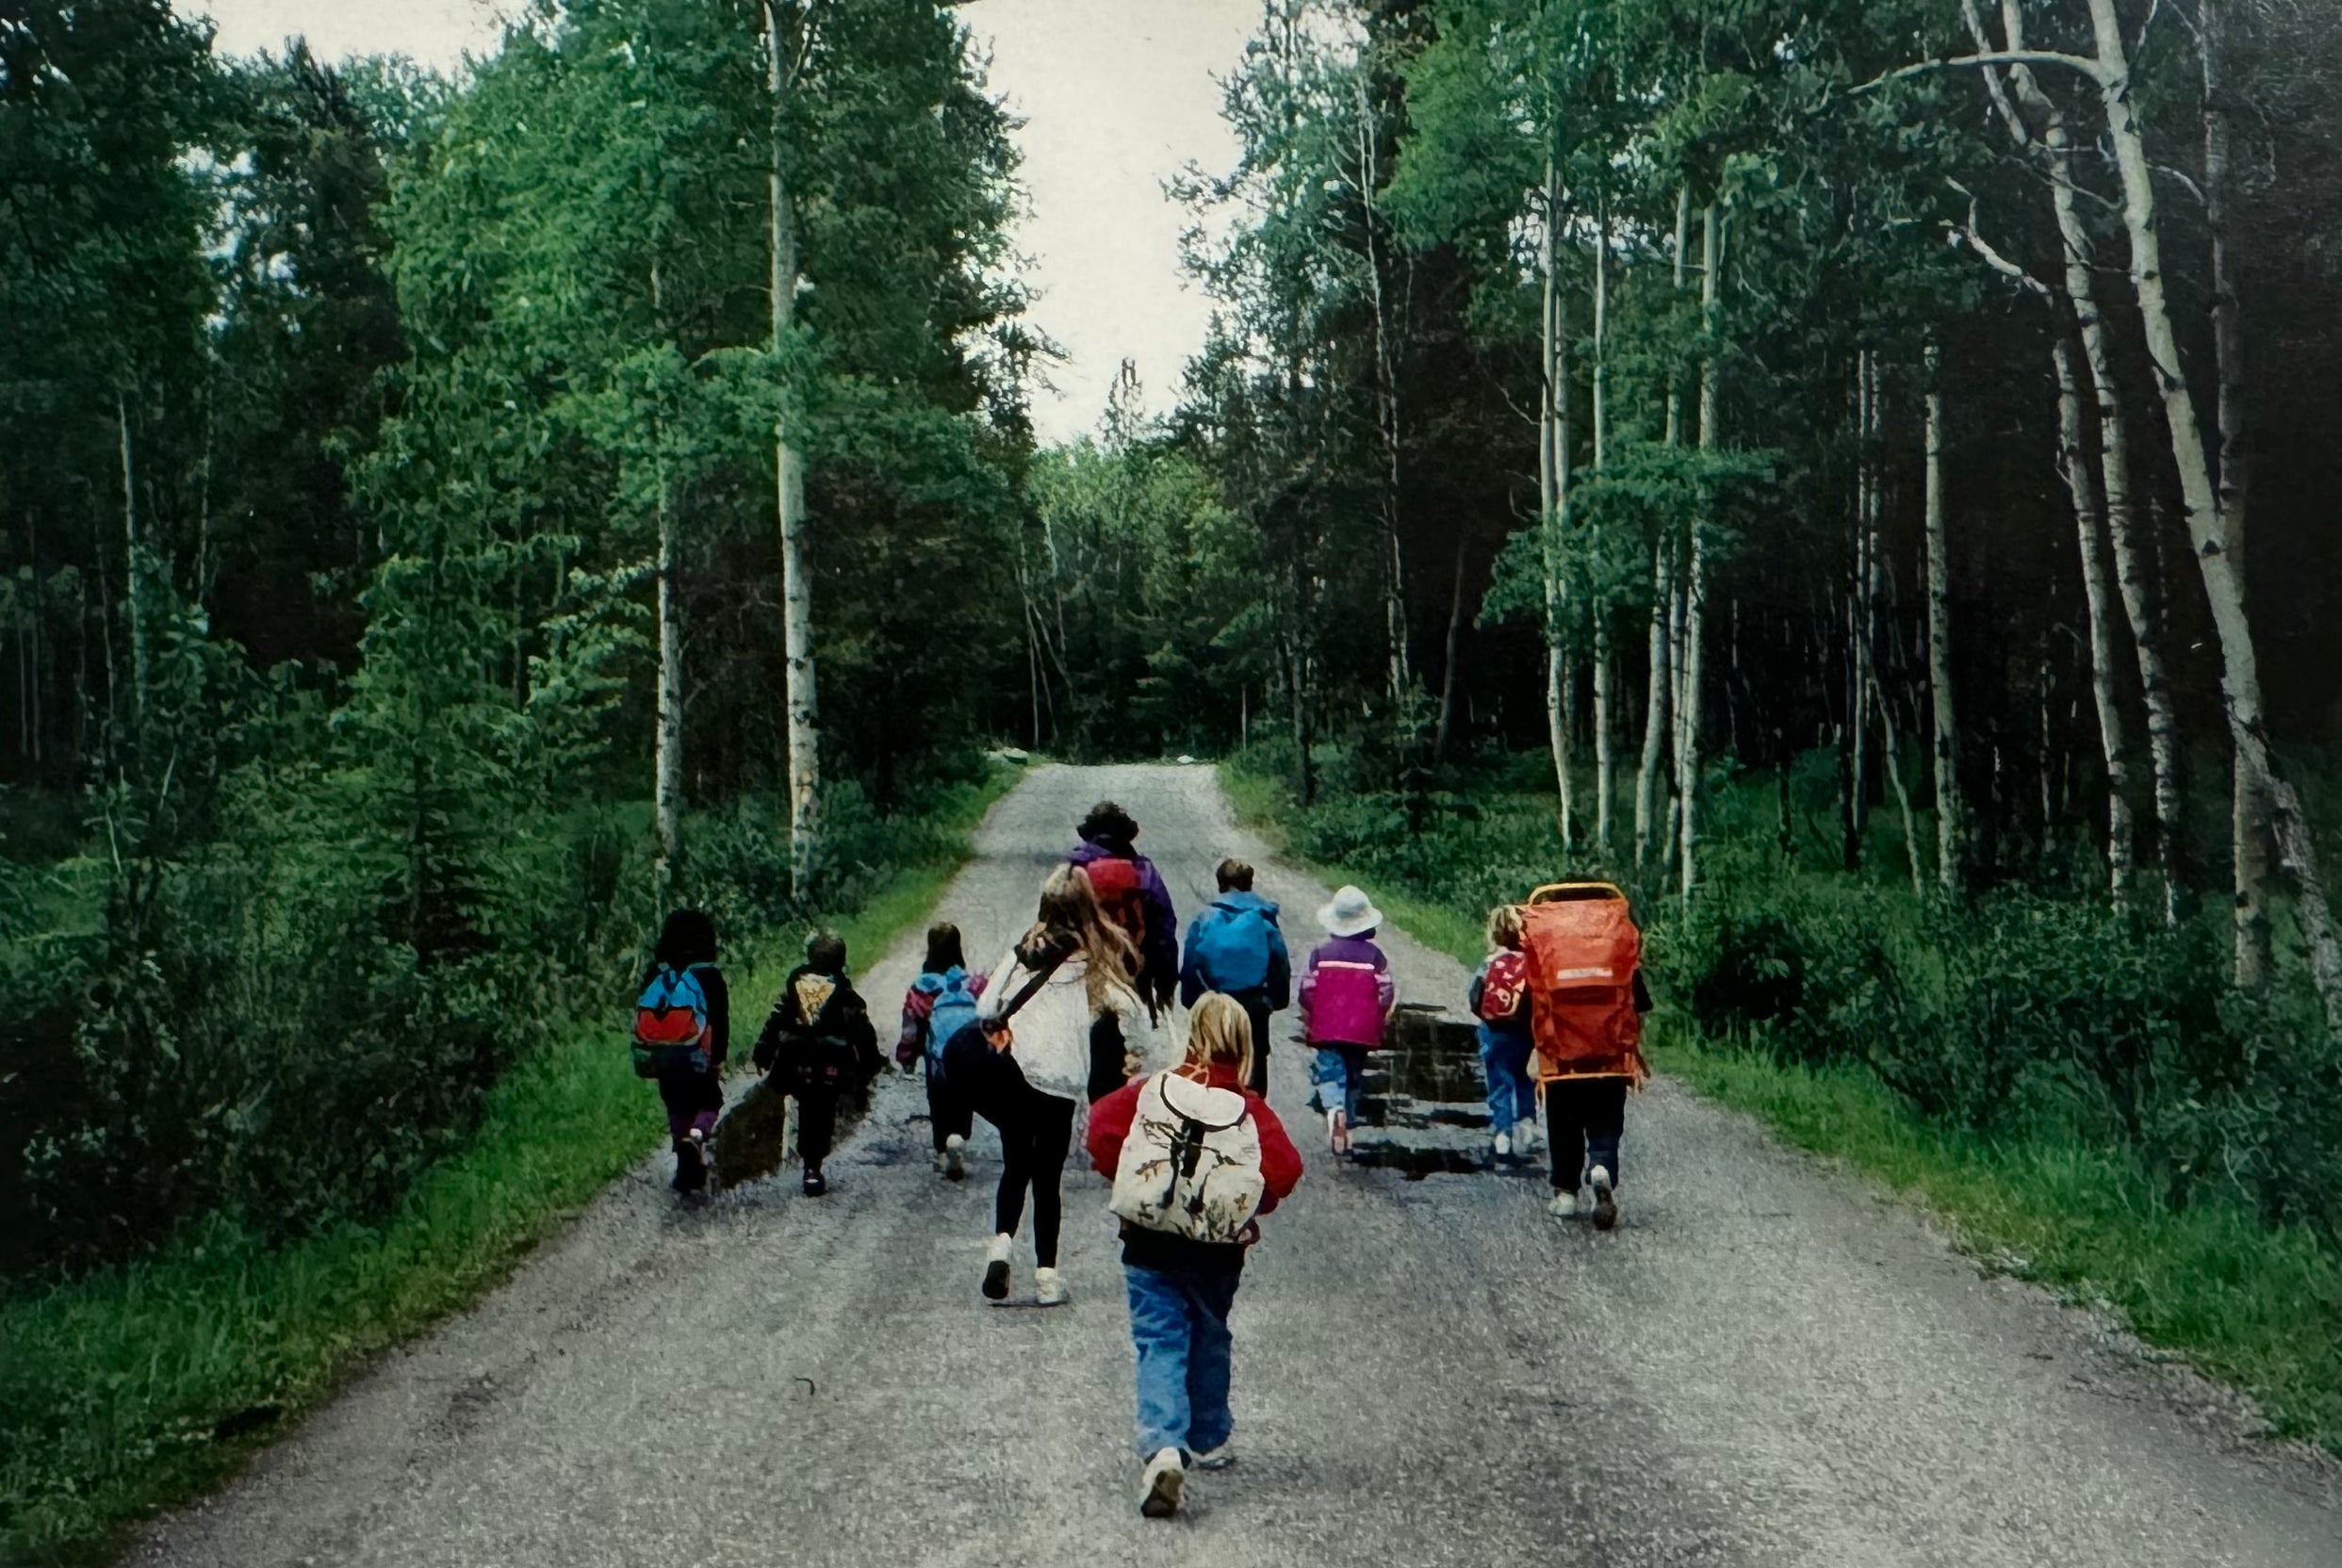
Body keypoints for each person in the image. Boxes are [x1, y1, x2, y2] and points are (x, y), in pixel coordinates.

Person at [1088, 993, 1302, 1519]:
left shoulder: (1155, 1091)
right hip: (1217, 1249)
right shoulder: (1249, 1108)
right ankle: (1208, 1436)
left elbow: (1100, 1129)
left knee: (1160, 1338)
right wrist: (1249, 1205)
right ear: (1243, 1045)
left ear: (1192, 1035)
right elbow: (1284, 1170)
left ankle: (1164, 1445)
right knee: (1209, 1332)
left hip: (1149, 1240)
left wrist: (1139, 1181)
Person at [970, 865, 1158, 1308]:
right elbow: (1132, 1014)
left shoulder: (1022, 952)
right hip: (1061, 1080)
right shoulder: (1092, 961)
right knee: (1048, 1179)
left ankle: (1001, 1247)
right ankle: (1048, 1277)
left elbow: (985, 1004)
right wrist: (1135, 1058)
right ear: (1086, 907)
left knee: (1016, 1165)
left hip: (1016, 1071)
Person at [752, 931, 881, 1198]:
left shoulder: (795, 985)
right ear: (841, 961)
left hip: (797, 1059)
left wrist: (763, 1051)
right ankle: (814, 1166)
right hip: (833, 1061)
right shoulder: (844, 991)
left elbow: (777, 1019)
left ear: (809, 956)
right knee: (825, 1110)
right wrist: (871, 1062)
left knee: (803, 1103)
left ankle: (806, 1161)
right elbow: (861, 1029)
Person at [1297, 884, 1397, 1156]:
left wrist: (1311, 1013)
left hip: (1327, 1026)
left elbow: (1307, 989)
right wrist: (1378, 1015)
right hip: (1362, 1030)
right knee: (1354, 1076)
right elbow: (1386, 990)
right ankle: (1349, 1129)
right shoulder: (1375, 956)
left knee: (1330, 1072)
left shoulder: (1320, 952)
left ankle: (1335, 1109)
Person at [1179, 858, 1292, 1097]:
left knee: (1212, 1057)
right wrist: (1277, 1000)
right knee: (1256, 1060)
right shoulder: (1263, 919)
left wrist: (1191, 1000)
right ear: (1250, 884)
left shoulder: (1205, 918)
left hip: (1214, 1002)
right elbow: (1279, 963)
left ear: (1220, 883)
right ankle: (1254, 1114)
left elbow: (1190, 963)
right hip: (1254, 1003)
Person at [1066, 800, 1180, 1021]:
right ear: (1127, 835)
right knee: (1137, 1029)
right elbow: (1164, 926)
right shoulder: (1144, 870)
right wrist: (1166, 980)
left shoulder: (1074, 867)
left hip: (1083, 966)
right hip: (1134, 965)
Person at [644, 909, 729, 1196]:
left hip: (665, 1055)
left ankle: (685, 1165)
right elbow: (720, 1020)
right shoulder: (710, 976)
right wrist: (717, 1058)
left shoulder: (656, 973)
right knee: (710, 1102)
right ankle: (696, 1136)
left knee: (677, 1105)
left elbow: (644, 1014)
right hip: (698, 1054)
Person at [896, 923, 986, 1182]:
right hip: (969, 1056)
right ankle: (959, 1137)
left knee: (939, 1101)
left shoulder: (922, 987)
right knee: (965, 1098)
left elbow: (910, 1028)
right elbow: (990, 1020)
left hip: (938, 1060)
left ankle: (942, 1151)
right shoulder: (974, 985)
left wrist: (907, 1056)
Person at [1468, 905, 1539, 1163]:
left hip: (1494, 1031)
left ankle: (1502, 1136)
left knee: (1499, 1081)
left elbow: (1474, 998)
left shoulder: (1489, 964)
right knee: (1523, 1077)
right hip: (1523, 1031)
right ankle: (1528, 1124)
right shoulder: (1530, 963)